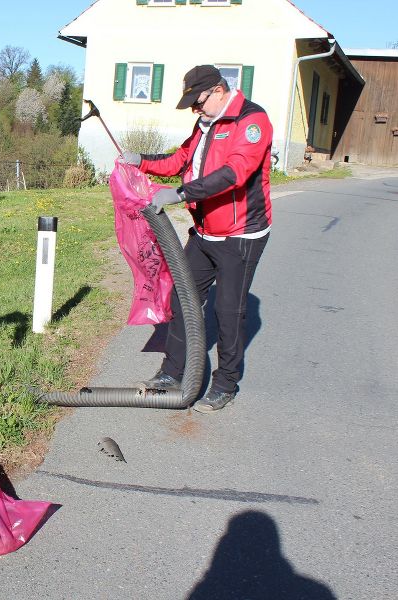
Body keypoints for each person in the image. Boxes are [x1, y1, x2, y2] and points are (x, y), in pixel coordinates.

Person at [123, 64, 272, 413]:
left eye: (198, 101)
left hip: (241, 235)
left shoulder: (252, 121)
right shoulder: (204, 124)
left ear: (219, 90)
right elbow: (180, 158)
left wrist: (180, 193)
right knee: (181, 298)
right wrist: (140, 161)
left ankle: (225, 383)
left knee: (229, 311)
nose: (195, 109)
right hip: (204, 232)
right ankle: (173, 373)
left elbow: (233, 174)